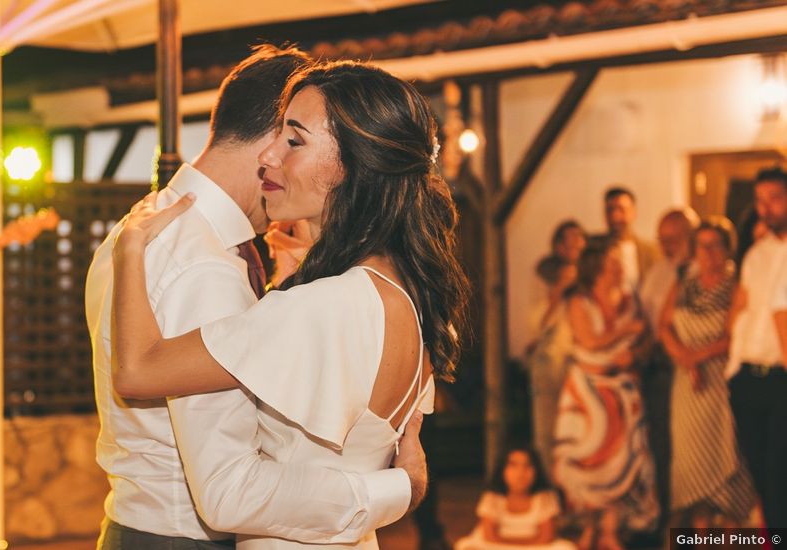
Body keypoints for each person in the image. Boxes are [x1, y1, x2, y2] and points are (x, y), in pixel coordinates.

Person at [110, 60, 470, 549]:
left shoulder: (323, 305)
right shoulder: (408, 296)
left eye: (294, 141)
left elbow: (135, 372)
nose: (268, 156)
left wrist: (131, 250)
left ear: (355, 165)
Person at [554, 241, 658, 550]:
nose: (620, 267)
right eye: (613, 263)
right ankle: (589, 527)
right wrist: (625, 332)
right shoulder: (579, 301)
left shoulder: (629, 299)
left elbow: (647, 337)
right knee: (589, 457)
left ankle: (611, 529)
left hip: (623, 389)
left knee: (621, 457)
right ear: (597, 268)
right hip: (588, 391)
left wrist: (636, 354)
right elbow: (589, 339)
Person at [658, 217, 756, 528]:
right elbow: (664, 326)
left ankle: (727, 539)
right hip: (687, 386)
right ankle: (700, 537)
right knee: (692, 465)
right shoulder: (684, 284)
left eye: (716, 246)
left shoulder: (736, 286)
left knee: (727, 462)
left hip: (720, 383)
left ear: (728, 249)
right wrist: (686, 360)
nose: (708, 253)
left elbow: (733, 337)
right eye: (702, 246)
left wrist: (696, 358)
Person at [728, 167, 787, 529]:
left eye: (775, 198)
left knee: (780, 474)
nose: (767, 208)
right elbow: (740, 313)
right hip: (747, 376)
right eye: (760, 200)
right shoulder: (756, 254)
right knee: (762, 476)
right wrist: (732, 370)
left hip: (781, 378)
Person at [635, 207, 699, 531]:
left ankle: (693, 521)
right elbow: (647, 319)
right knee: (661, 445)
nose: (665, 246)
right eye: (662, 240)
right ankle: (668, 519)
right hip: (658, 369)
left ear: (691, 235)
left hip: (691, 368)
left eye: (672, 239)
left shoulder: (700, 270)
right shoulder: (659, 270)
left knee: (690, 447)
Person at [527, 220, 585, 475]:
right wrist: (559, 290)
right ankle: (550, 486)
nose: (573, 245)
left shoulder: (590, 274)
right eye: (567, 240)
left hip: (582, 359)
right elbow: (535, 324)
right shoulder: (544, 273)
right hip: (551, 360)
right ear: (558, 245)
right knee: (548, 428)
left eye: (578, 239)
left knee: (579, 427)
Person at [454, 446, 574, 550]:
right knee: (465, 545)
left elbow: (545, 537)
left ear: (536, 471)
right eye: (513, 465)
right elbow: (489, 536)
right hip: (495, 547)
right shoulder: (492, 498)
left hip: (536, 548)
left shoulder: (544, 498)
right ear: (503, 470)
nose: (520, 473)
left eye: (527, 466)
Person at [588, 187, 658, 291]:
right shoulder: (592, 246)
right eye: (610, 210)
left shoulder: (651, 251)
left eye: (621, 209)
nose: (615, 216)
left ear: (633, 212)